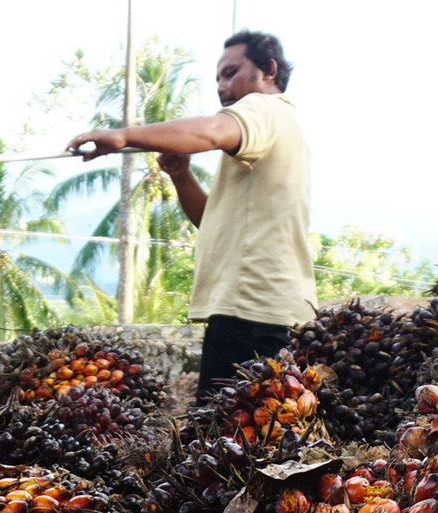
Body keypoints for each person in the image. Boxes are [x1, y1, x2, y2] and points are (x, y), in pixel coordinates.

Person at [65, 30, 312, 404]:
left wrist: (123, 135)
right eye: (217, 78)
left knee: (224, 444)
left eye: (231, 72)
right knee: (234, 440)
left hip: (252, 312)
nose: (222, 85)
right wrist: (181, 176)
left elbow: (211, 131)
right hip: (252, 310)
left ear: (269, 70)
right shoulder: (278, 127)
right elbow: (211, 220)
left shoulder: (264, 108)